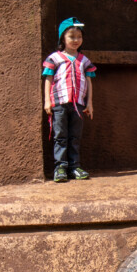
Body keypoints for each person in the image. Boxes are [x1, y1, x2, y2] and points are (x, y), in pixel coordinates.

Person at [43, 17, 96, 182]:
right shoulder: (55, 58)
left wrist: (89, 103)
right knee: (60, 135)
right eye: (71, 36)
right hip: (59, 104)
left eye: (79, 37)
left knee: (75, 136)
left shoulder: (84, 60)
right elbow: (48, 79)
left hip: (78, 105)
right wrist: (47, 101)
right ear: (62, 38)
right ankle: (60, 167)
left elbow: (89, 81)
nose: (75, 40)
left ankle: (75, 167)